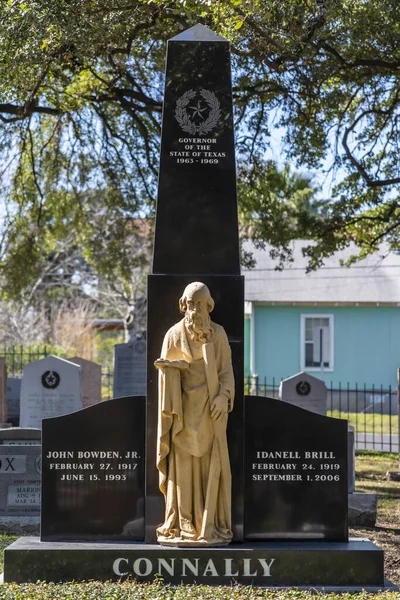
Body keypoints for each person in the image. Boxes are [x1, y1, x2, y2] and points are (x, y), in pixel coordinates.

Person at [154, 281, 234, 546]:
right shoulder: (173, 335)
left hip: (210, 414)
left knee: (210, 468)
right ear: (183, 305)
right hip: (181, 415)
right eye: (191, 304)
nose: (195, 310)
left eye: (200, 304)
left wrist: (224, 397)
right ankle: (183, 521)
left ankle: (210, 523)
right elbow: (165, 374)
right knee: (184, 469)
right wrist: (170, 370)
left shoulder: (219, 335)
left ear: (209, 306)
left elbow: (226, 374)